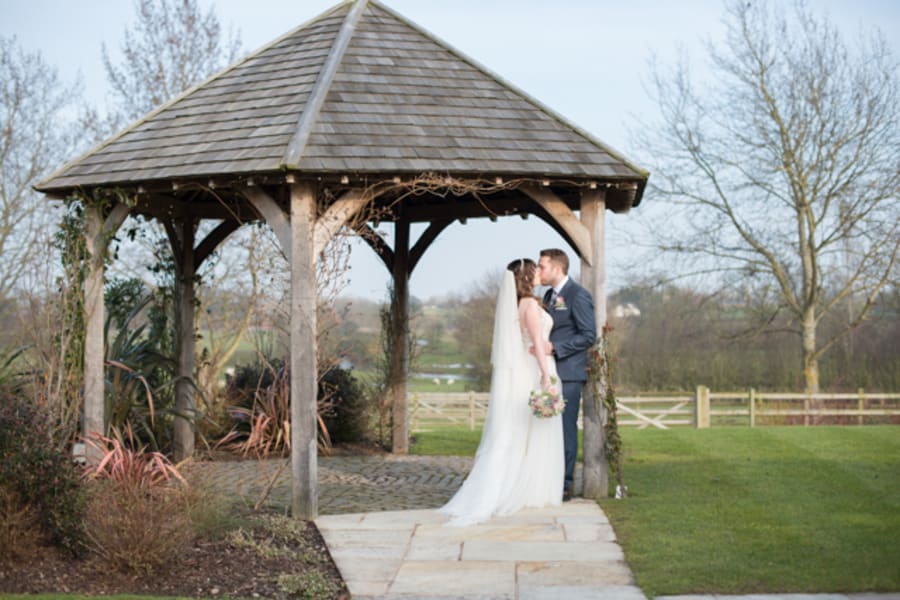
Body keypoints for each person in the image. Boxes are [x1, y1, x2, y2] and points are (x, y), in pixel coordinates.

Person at [439, 258, 563, 526]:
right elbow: (537, 344)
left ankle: (528, 488)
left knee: (526, 431)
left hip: (526, 367)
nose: (540, 273)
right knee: (526, 431)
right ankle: (521, 490)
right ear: (527, 277)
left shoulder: (519, 304)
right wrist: (546, 375)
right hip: (534, 368)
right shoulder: (529, 305)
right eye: (535, 270)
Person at [538, 248, 597, 501]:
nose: (538, 271)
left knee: (565, 429)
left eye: (542, 266)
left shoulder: (578, 295)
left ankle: (565, 484)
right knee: (546, 429)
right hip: (549, 372)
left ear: (557, 268)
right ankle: (547, 478)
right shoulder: (550, 295)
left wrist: (556, 348)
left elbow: (588, 335)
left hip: (569, 373)